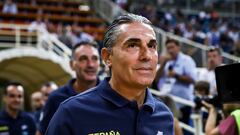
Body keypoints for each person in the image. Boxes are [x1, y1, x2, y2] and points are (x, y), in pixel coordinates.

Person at [46, 13, 174, 135]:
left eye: (152, 46)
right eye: (133, 45)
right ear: (107, 57)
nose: (146, 56)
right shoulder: (72, 113)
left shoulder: (164, 116)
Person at [38, 41, 100, 135]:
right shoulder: (56, 98)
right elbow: (42, 132)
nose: (90, 65)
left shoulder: (112, 94)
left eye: (95, 59)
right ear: (72, 65)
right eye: (83, 59)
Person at [154, 39, 197, 126]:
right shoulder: (166, 61)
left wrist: (176, 75)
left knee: (183, 129)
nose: (170, 50)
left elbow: (192, 80)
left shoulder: (187, 60)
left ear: (178, 47)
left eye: (172, 47)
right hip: (167, 102)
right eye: (168, 48)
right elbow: (156, 79)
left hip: (183, 103)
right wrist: (163, 64)